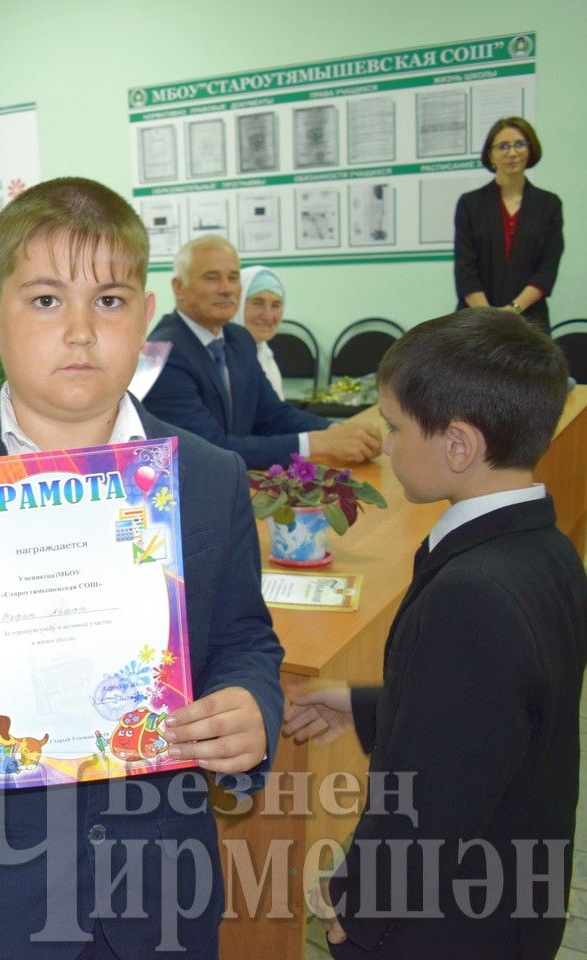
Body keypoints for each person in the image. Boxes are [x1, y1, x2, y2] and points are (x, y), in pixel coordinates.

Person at [0, 178, 284, 959]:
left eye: (109, 301)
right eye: (45, 301)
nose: (80, 331)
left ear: (146, 319)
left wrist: (251, 705)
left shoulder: (206, 479)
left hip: (163, 882)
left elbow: (246, 637)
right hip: (0, 886)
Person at [284, 308, 586, 959]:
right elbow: (492, 718)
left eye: (394, 427)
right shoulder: (547, 549)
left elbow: (431, 805)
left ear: (458, 445)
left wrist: (359, 905)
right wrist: (369, 706)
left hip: (449, 924)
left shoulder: (472, 592)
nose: (387, 445)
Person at [144, 235, 380, 469]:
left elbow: (273, 414)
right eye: (212, 278)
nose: (226, 289)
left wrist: (336, 431)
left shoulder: (239, 338)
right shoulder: (165, 353)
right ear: (179, 287)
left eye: (233, 277)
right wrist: (316, 443)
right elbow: (211, 448)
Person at [454, 117, 563, 335]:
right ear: (490, 155)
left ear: (530, 150)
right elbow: (465, 269)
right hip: (477, 320)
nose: (512, 153)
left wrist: (513, 311)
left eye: (519, 144)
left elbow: (547, 268)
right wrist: (491, 317)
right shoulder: (470, 204)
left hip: (530, 320)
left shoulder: (549, 204)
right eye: (503, 146)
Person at [231, 265, 287, 399]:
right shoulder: (222, 362)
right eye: (257, 303)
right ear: (235, 304)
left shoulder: (265, 356)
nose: (268, 316)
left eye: (276, 305)